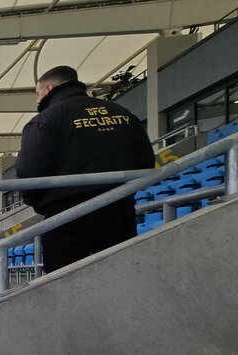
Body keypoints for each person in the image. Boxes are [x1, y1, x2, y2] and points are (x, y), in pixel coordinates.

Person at [16, 65, 155, 272]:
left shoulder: (45, 121)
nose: (38, 101)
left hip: (66, 216)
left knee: (65, 282)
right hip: (118, 210)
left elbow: (29, 173)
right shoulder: (121, 113)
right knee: (120, 276)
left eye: (39, 93)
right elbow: (145, 160)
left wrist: (43, 205)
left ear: (50, 88)